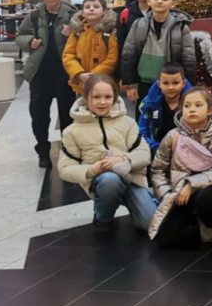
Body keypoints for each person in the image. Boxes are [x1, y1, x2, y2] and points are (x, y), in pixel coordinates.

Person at [57, 74, 155, 232]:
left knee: (151, 222)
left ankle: (145, 203)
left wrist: (122, 159)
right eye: (96, 97)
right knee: (110, 181)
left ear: (115, 97)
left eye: (108, 97)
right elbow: (65, 169)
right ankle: (103, 217)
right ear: (86, 98)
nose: (102, 102)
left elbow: (144, 153)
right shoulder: (72, 131)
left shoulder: (128, 123)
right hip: (103, 181)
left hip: (132, 178)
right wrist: (92, 170)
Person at [147, 86, 212, 248]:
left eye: (198, 105)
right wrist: (166, 194)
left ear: (210, 110)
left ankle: (208, 223)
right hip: (179, 194)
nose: (192, 109)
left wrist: (191, 184)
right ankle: (192, 219)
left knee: (206, 198)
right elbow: (158, 170)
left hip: (210, 191)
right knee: (164, 240)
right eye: (187, 106)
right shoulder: (173, 136)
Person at [16, 0, 78, 168]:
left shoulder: (73, 15)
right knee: (39, 115)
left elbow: (85, 37)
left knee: (67, 114)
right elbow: (20, 36)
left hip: (64, 72)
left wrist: (73, 34)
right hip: (40, 72)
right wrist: (29, 42)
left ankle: (68, 151)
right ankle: (43, 150)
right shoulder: (35, 15)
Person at [120, 0, 197, 105]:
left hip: (171, 83)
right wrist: (130, 84)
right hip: (144, 82)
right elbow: (129, 54)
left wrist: (189, 86)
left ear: (173, 4)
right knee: (145, 113)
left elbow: (188, 58)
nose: (159, 1)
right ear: (149, 1)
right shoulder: (138, 24)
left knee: (171, 114)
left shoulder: (181, 27)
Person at [62, 0, 119, 93]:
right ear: (82, 12)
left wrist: (92, 76)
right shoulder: (77, 32)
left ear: (105, 12)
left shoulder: (110, 32)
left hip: (103, 83)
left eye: (96, 7)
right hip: (81, 83)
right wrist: (79, 74)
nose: (91, 9)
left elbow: (112, 59)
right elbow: (68, 55)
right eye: (87, 7)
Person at [138, 63, 191, 153]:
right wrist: (157, 148)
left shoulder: (192, 105)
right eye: (166, 83)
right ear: (159, 84)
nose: (170, 87)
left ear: (183, 83)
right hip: (156, 150)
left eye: (176, 83)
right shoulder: (150, 105)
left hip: (186, 151)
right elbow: (142, 132)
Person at [115, 0, 155, 81]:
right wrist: (123, 77)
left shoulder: (162, 11)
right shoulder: (125, 13)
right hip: (134, 68)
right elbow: (121, 46)